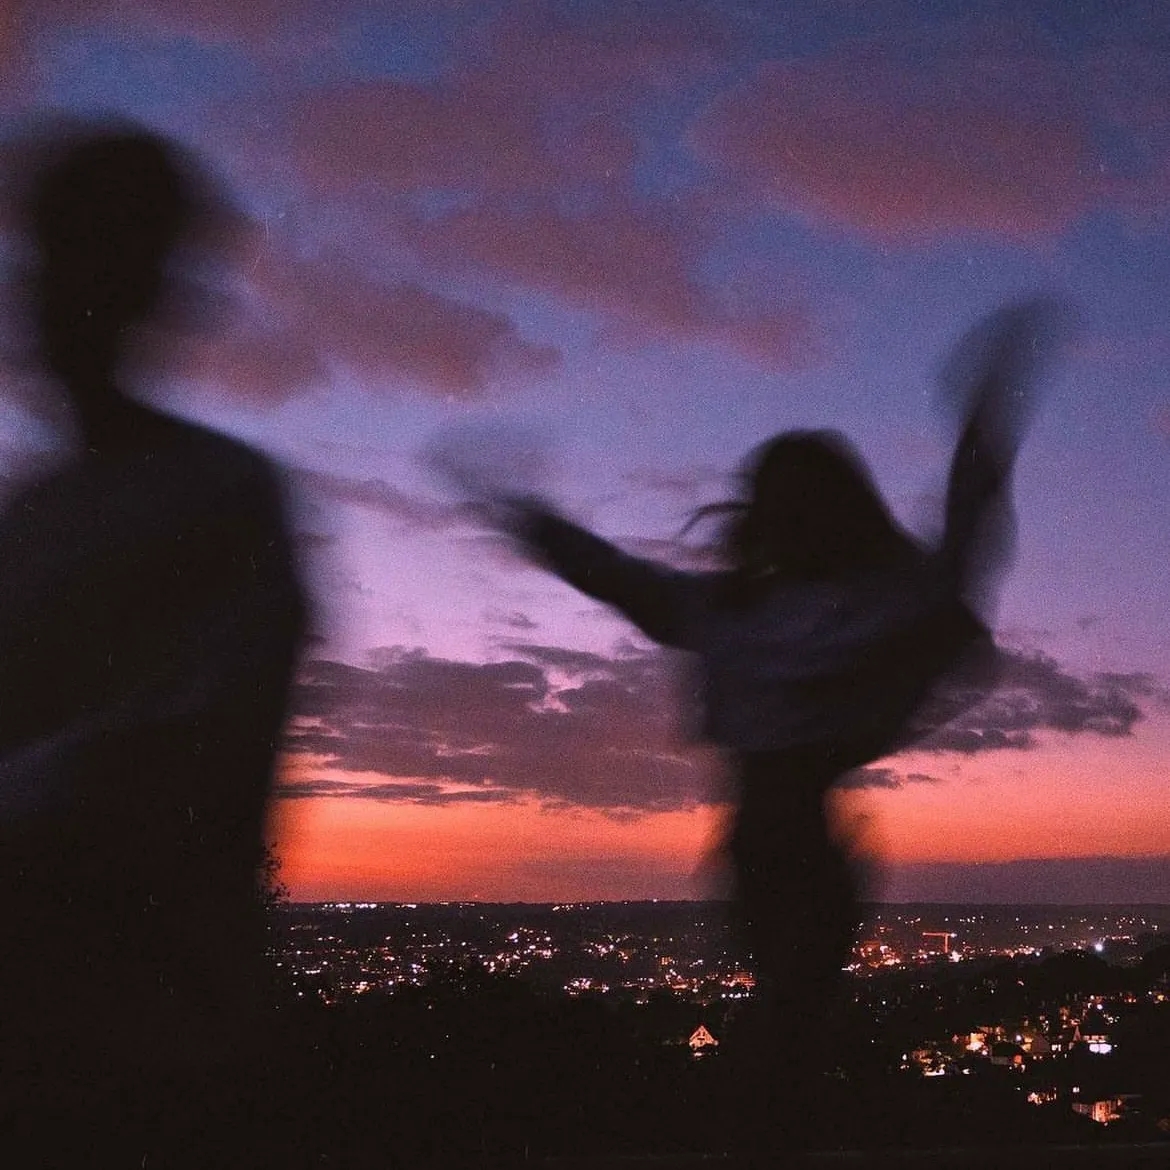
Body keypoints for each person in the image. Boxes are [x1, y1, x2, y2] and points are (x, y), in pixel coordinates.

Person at [450, 301, 1062, 1152]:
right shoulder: (819, 606)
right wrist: (986, 418)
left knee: (784, 1031)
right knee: (790, 1031)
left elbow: (616, 577)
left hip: (770, 842)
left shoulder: (739, 610)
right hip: (793, 843)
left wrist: (520, 517)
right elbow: (964, 548)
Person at [0, 121, 305, 1164]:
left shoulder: (219, 496)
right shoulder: (33, 519)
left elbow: (194, 761)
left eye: (89, 255)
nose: (47, 291)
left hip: (156, 1026)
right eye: (50, 253)